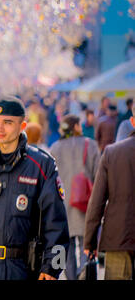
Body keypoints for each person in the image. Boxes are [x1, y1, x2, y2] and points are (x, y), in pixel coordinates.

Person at [0, 96, 69, 280]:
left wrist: (52, 269)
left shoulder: (42, 164)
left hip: (22, 270)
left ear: (22, 126)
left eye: (7, 122)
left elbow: (57, 223)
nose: (0, 128)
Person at [84, 108, 135, 280]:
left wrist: (89, 241)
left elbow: (97, 201)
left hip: (119, 237)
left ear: (132, 122)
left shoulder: (112, 153)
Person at [49, 114, 100, 280]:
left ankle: (72, 277)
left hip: (63, 205)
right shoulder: (90, 144)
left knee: (67, 247)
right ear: (76, 126)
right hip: (86, 204)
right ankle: (84, 275)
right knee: (87, 244)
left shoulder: (54, 148)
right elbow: (98, 175)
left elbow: (51, 179)